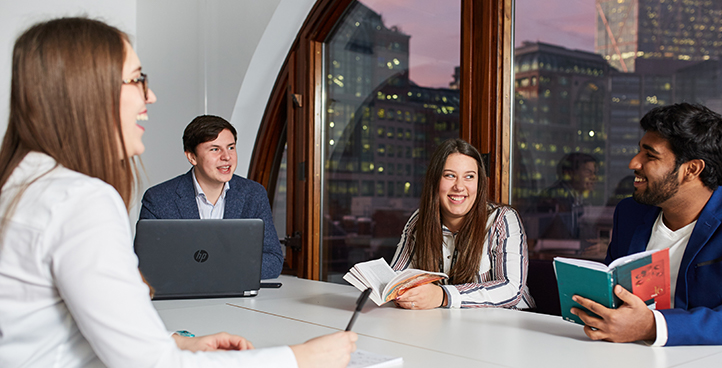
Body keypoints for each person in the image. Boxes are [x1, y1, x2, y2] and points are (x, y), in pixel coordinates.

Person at [0, 17, 356, 367]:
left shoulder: (25, 185)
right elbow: (151, 363)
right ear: (86, 89)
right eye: (138, 79)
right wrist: (299, 358)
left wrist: (177, 343)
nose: (150, 96)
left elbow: (78, 323)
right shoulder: (79, 200)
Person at [571, 102, 722, 346]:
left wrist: (653, 326)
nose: (634, 163)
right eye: (638, 151)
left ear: (692, 169)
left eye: (650, 155)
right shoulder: (630, 212)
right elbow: (613, 295)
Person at [390, 139, 534, 309]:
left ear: (479, 183)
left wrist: (443, 296)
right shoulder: (420, 220)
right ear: (435, 180)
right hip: (448, 324)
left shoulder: (503, 219)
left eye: (469, 177)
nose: (459, 186)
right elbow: (396, 278)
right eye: (450, 175)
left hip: (510, 325)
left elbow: (511, 290)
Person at [139, 115, 283, 279]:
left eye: (231, 147)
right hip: (181, 300)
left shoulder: (254, 194)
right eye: (215, 149)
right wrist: (225, 267)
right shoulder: (159, 199)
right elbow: (146, 263)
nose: (226, 157)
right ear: (192, 157)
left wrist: (215, 270)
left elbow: (273, 259)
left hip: (237, 298)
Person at [535, 152, 597, 240]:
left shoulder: (578, 199)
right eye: (588, 172)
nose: (593, 177)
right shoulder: (555, 199)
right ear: (570, 173)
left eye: (594, 173)